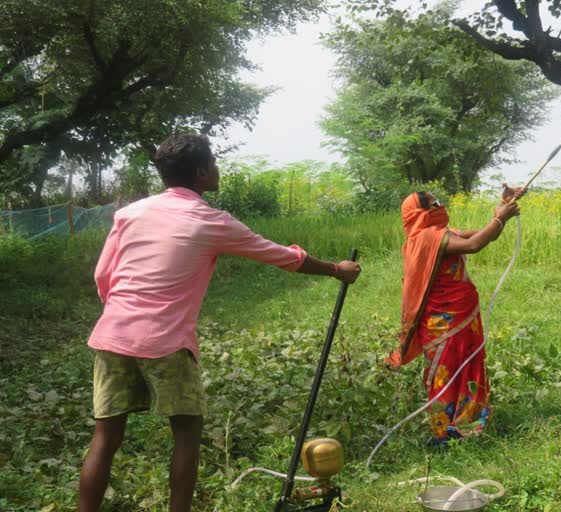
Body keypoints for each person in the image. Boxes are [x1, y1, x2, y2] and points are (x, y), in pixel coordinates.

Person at [77, 134, 361, 512]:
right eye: (212, 162)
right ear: (200, 173)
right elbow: (280, 256)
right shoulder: (210, 221)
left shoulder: (130, 213)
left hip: (112, 334)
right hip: (167, 342)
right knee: (187, 431)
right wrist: (335, 270)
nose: (216, 168)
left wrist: (124, 314)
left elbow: (103, 276)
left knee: (105, 438)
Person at [386, 187, 523, 445]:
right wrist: (501, 217)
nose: (440, 205)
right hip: (443, 322)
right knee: (447, 374)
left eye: (439, 200)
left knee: (468, 367)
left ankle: (469, 426)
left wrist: (503, 206)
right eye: (433, 203)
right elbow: (474, 245)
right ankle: (444, 434)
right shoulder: (426, 238)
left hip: (462, 316)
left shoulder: (439, 234)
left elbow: (484, 235)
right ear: (419, 213)